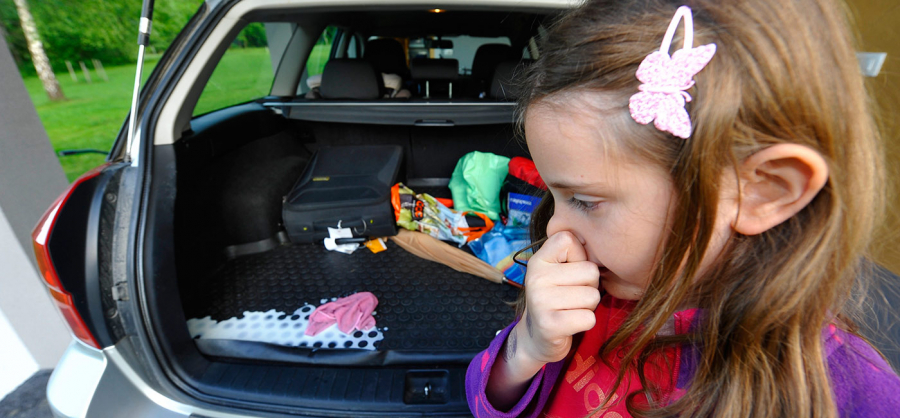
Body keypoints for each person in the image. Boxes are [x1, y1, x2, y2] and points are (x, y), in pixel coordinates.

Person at [465, 0, 900, 417]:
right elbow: (488, 400)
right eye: (554, 196)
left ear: (763, 191)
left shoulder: (854, 395)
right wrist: (526, 348)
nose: (555, 229)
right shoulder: (586, 299)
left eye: (585, 200)